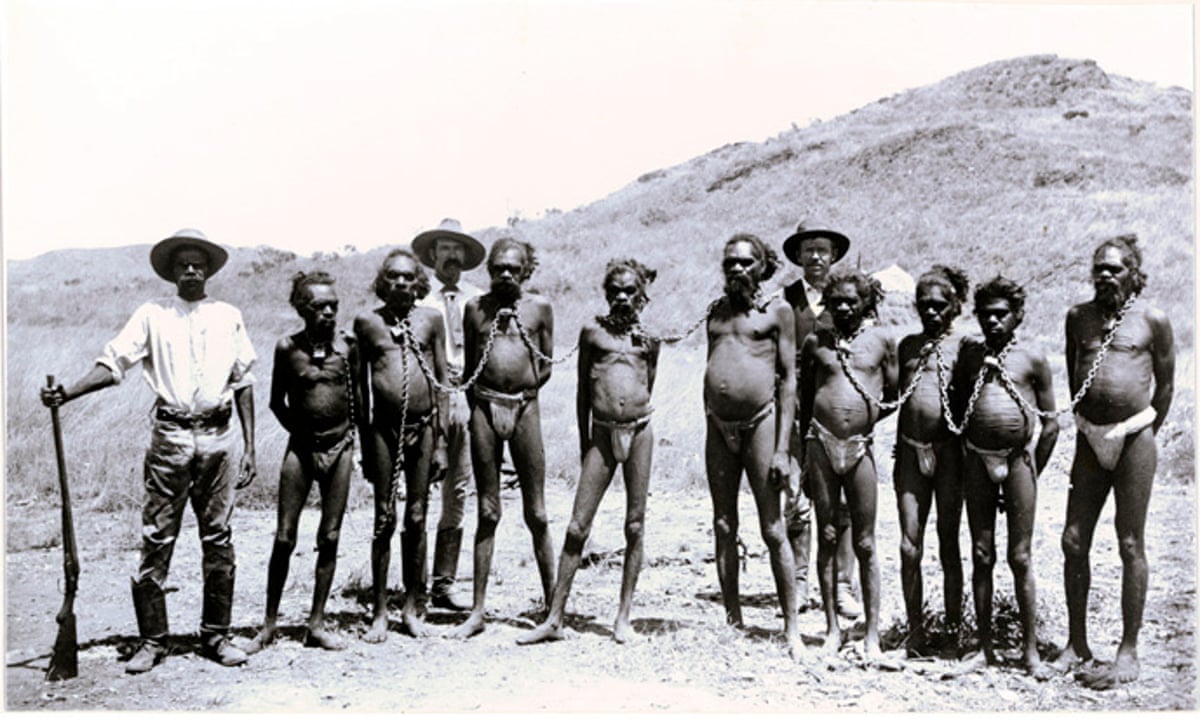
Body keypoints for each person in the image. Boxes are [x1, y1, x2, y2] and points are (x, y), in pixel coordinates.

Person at [41, 229, 256, 673]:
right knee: (158, 536)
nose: (191, 270)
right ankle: (153, 640)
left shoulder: (228, 316)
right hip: (170, 438)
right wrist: (69, 392)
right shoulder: (151, 315)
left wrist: (251, 446)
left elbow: (243, 381)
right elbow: (113, 363)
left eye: (198, 264)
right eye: (183, 265)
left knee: (218, 537)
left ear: (209, 270)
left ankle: (216, 636)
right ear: (172, 272)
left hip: (219, 438)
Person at [517, 259, 662, 646]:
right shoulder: (592, 333)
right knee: (577, 526)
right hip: (601, 434)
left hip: (640, 432)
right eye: (615, 291)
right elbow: (583, 391)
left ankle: (623, 619)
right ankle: (554, 618)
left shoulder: (650, 338)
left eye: (630, 291)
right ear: (606, 293)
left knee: (635, 525)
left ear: (642, 295)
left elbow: (648, 383)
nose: (622, 297)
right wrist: (585, 443)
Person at [1054, 234, 1174, 689]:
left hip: (1134, 437)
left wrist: (1139, 433)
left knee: (1129, 543)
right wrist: (1092, 423)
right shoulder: (1077, 318)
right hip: (1089, 437)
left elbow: (1165, 386)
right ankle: (1076, 643)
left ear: (1133, 273)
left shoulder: (1153, 320)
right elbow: (1075, 375)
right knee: (1073, 540)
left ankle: (1128, 649)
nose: (1106, 275)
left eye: (1116, 268)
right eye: (1100, 268)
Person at [449, 238, 557, 639]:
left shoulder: (540, 308)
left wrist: (520, 393)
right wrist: (487, 401)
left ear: (526, 270)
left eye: (514, 268)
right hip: (484, 407)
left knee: (538, 513)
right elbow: (470, 368)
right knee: (488, 511)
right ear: (489, 271)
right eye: (498, 268)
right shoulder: (475, 309)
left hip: (526, 408)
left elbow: (546, 364)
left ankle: (553, 610)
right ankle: (477, 612)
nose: (506, 274)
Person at [952, 276, 1058, 679]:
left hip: (1018, 463)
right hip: (977, 461)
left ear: (1018, 316)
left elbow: (1051, 425)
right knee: (981, 554)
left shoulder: (1033, 359)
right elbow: (958, 412)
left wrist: (1029, 472)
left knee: (1020, 556)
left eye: (1001, 314)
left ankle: (1030, 653)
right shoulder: (970, 357)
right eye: (985, 315)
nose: (993, 321)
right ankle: (984, 648)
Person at [247, 271, 358, 653]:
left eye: (333, 306)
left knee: (330, 536)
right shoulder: (287, 348)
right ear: (301, 309)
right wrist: (303, 435)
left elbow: (359, 400)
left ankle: (316, 624)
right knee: (284, 536)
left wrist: (348, 440)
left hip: (341, 448)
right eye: (319, 306)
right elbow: (276, 402)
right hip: (301, 449)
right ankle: (268, 625)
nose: (328, 313)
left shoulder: (349, 347)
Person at [703, 234, 803, 659]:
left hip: (761, 424)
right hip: (718, 428)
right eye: (731, 263)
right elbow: (712, 365)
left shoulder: (778, 312)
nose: (738, 269)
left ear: (763, 267)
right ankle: (733, 619)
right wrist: (711, 413)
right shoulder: (716, 312)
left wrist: (782, 449)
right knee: (724, 524)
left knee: (773, 528)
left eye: (746, 262)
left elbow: (789, 380)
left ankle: (792, 629)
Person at [798, 269, 897, 663]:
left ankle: (871, 635)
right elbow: (806, 400)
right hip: (820, 446)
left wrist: (860, 418)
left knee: (866, 542)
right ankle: (832, 630)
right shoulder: (815, 343)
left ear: (865, 303)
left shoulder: (882, 342)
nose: (842, 307)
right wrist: (804, 459)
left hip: (859, 447)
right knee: (826, 534)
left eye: (850, 301)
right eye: (835, 300)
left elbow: (892, 394)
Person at [355, 249, 449, 641]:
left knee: (417, 516)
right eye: (393, 276)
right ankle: (379, 611)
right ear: (383, 281)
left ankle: (412, 606)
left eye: (408, 277)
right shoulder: (367, 322)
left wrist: (441, 441)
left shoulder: (431, 320)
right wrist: (364, 442)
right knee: (384, 517)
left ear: (418, 283)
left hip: (424, 428)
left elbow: (442, 382)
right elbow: (360, 391)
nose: (400, 283)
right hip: (383, 430)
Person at [781, 221, 862, 617]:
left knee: (842, 501)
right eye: (808, 249)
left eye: (823, 250)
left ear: (834, 256)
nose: (815, 256)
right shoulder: (783, 301)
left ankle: (843, 584)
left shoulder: (848, 300)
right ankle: (798, 582)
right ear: (798, 256)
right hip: (794, 411)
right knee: (795, 498)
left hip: (835, 412)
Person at [893, 265, 968, 656]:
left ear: (954, 306)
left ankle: (953, 633)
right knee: (909, 547)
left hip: (950, 456)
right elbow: (895, 399)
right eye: (924, 305)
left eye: (940, 305)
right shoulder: (907, 346)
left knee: (948, 544)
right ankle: (916, 632)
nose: (932, 312)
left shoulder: (965, 347)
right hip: (910, 452)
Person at [413, 219, 487, 611]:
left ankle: (444, 583)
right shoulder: (416, 297)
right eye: (445, 248)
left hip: (468, 395)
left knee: (458, 490)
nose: (452, 256)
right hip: (429, 396)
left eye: (458, 249)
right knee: (420, 488)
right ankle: (415, 586)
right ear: (432, 254)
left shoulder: (478, 299)